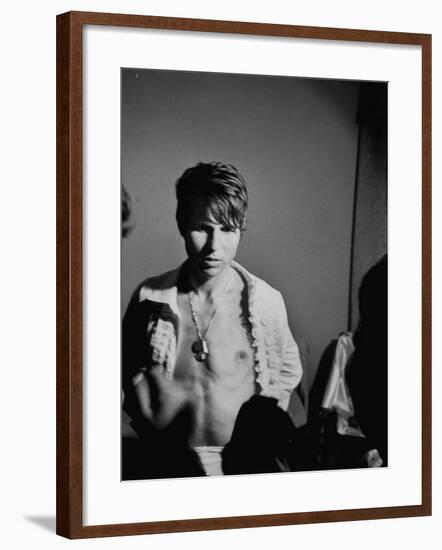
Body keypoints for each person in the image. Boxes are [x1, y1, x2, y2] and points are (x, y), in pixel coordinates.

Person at [122, 162, 303, 479]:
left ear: (242, 225)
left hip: (242, 470)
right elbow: (121, 376)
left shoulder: (267, 303)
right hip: (165, 466)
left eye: (228, 230)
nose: (214, 247)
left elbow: (286, 375)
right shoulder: (149, 298)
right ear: (181, 223)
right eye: (203, 228)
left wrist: (258, 448)